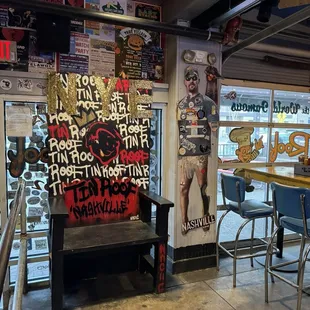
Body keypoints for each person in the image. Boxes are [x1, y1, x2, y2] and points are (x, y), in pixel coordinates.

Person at [177, 66, 219, 235]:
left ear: (199, 81)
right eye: (189, 78)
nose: (192, 81)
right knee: (183, 189)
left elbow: (214, 126)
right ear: (185, 81)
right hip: (185, 155)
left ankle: (205, 214)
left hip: (201, 154)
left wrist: (209, 118)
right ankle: (184, 220)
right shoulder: (180, 104)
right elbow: (180, 128)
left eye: (195, 78)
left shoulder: (209, 103)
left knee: (203, 187)